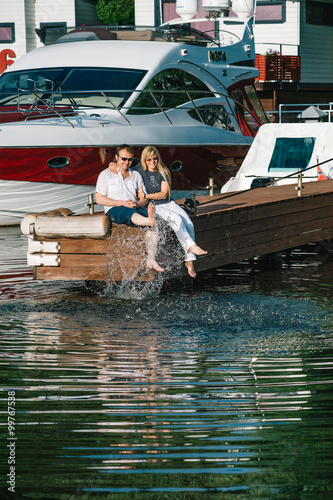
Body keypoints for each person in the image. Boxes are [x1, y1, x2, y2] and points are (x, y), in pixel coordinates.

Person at [109, 146, 207, 277]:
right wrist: (112, 163)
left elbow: (163, 194)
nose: (152, 162)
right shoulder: (140, 171)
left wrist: (146, 196)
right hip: (154, 205)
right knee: (176, 220)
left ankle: (189, 261)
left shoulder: (163, 170)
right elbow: (124, 166)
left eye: (154, 159)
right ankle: (191, 247)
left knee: (189, 223)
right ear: (145, 160)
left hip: (167, 202)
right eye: (148, 159)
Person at [95, 144, 164, 273]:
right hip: (114, 210)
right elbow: (99, 199)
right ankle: (148, 221)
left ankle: (151, 259)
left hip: (134, 207)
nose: (127, 162)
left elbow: (143, 197)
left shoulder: (136, 175)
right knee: (133, 213)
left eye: (130, 159)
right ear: (116, 157)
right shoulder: (106, 175)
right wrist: (122, 202)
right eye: (124, 159)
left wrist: (138, 204)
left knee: (154, 221)